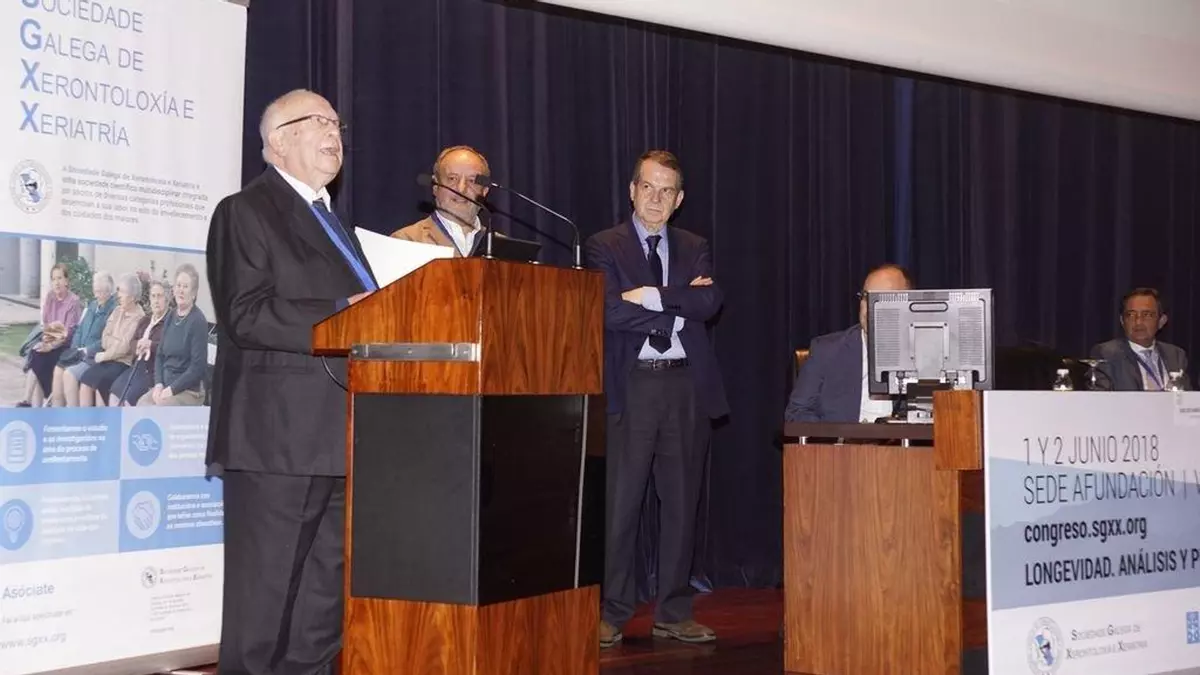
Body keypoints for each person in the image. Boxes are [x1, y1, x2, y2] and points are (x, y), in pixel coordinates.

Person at [205, 88, 376, 675]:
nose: (334, 133)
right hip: (277, 440)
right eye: (318, 122)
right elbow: (245, 314)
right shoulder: (246, 211)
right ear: (278, 141)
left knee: (320, 608)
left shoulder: (334, 222)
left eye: (337, 123)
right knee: (264, 605)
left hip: (342, 435)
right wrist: (343, 311)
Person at [585, 150, 727, 648]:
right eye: (648, 187)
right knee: (621, 505)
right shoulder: (603, 245)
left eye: (667, 190)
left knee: (682, 504)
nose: (655, 198)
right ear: (632, 191)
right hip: (632, 386)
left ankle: (674, 611)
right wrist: (676, 308)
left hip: (685, 387)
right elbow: (605, 311)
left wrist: (646, 296)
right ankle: (613, 612)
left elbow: (709, 301)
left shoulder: (694, 245)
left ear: (679, 199)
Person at [784, 264, 912, 422]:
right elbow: (796, 414)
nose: (870, 307)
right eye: (866, 297)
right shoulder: (826, 351)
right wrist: (840, 434)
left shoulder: (924, 353)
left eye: (882, 298)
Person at [391, 145, 492, 256]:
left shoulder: (501, 248)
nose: (461, 189)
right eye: (452, 178)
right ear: (435, 187)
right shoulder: (406, 241)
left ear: (484, 191)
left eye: (472, 180)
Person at [1089, 287, 1191, 391]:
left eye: (1147, 315)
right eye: (1131, 315)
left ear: (1161, 321)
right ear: (1122, 321)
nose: (1138, 322)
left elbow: (1187, 396)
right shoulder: (1107, 354)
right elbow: (1100, 397)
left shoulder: (1176, 355)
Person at [137, 265, 209, 407]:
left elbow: (197, 367)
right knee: (141, 405)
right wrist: (158, 384)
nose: (181, 290)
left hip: (188, 390)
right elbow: (160, 355)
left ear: (193, 293)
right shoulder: (171, 316)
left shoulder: (198, 321)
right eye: (178, 285)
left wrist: (171, 390)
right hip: (165, 385)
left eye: (186, 287)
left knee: (161, 409)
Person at [17, 263, 81, 407]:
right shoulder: (50, 297)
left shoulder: (73, 301)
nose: (56, 283)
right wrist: (47, 343)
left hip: (65, 348)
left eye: (60, 278)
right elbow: (46, 324)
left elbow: (68, 332)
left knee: (38, 359)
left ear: (67, 281)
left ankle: (28, 402)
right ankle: (30, 403)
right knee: (37, 353)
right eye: (53, 279)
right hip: (50, 342)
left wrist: (51, 344)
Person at [78, 273, 145, 406]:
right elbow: (105, 337)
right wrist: (115, 342)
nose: (118, 295)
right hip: (109, 359)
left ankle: (103, 419)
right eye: (119, 290)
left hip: (122, 363)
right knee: (85, 380)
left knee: (100, 383)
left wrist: (104, 355)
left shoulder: (139, 317)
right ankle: (84, 418)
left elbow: (124, 347)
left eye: (122, 291)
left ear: (132, 297)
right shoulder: (117, 311)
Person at [52, 271, 116, 407]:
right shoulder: (93, 305)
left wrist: (87, 350)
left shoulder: (113, 309)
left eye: (100, 292)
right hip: (79, 353)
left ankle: (74, 415)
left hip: (93, 357)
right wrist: (76, 348)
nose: (96, 295)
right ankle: (57, 412)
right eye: (95, 291)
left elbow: (107, 340)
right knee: (58, 370)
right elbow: (79, 329)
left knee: (69, 374)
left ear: (109, 291)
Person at [110, 280, 169, 406]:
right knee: (114, 394)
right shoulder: (145, 320)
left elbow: (169, 347)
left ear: (167, 299)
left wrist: (150, 345)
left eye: (159, 296)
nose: (156, 300)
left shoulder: (170, 323)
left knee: (129, 399)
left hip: (152, 371)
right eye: (153, 296)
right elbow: (132, 343)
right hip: (137, 366)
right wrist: (138, 345)